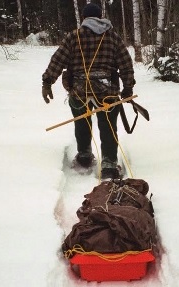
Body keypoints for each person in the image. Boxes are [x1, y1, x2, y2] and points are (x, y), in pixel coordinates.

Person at [41, 2, 135, 179]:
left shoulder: (74, 37)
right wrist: (128, 87)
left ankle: (84, 156)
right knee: (108, 127)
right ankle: (108, 164)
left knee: (82, 123)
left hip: (79, 91)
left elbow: (58, 60)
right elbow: (125, 63)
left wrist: (47, 82)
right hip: (107, 92)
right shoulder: (112, 37)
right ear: (100, 17)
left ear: (84, 18)